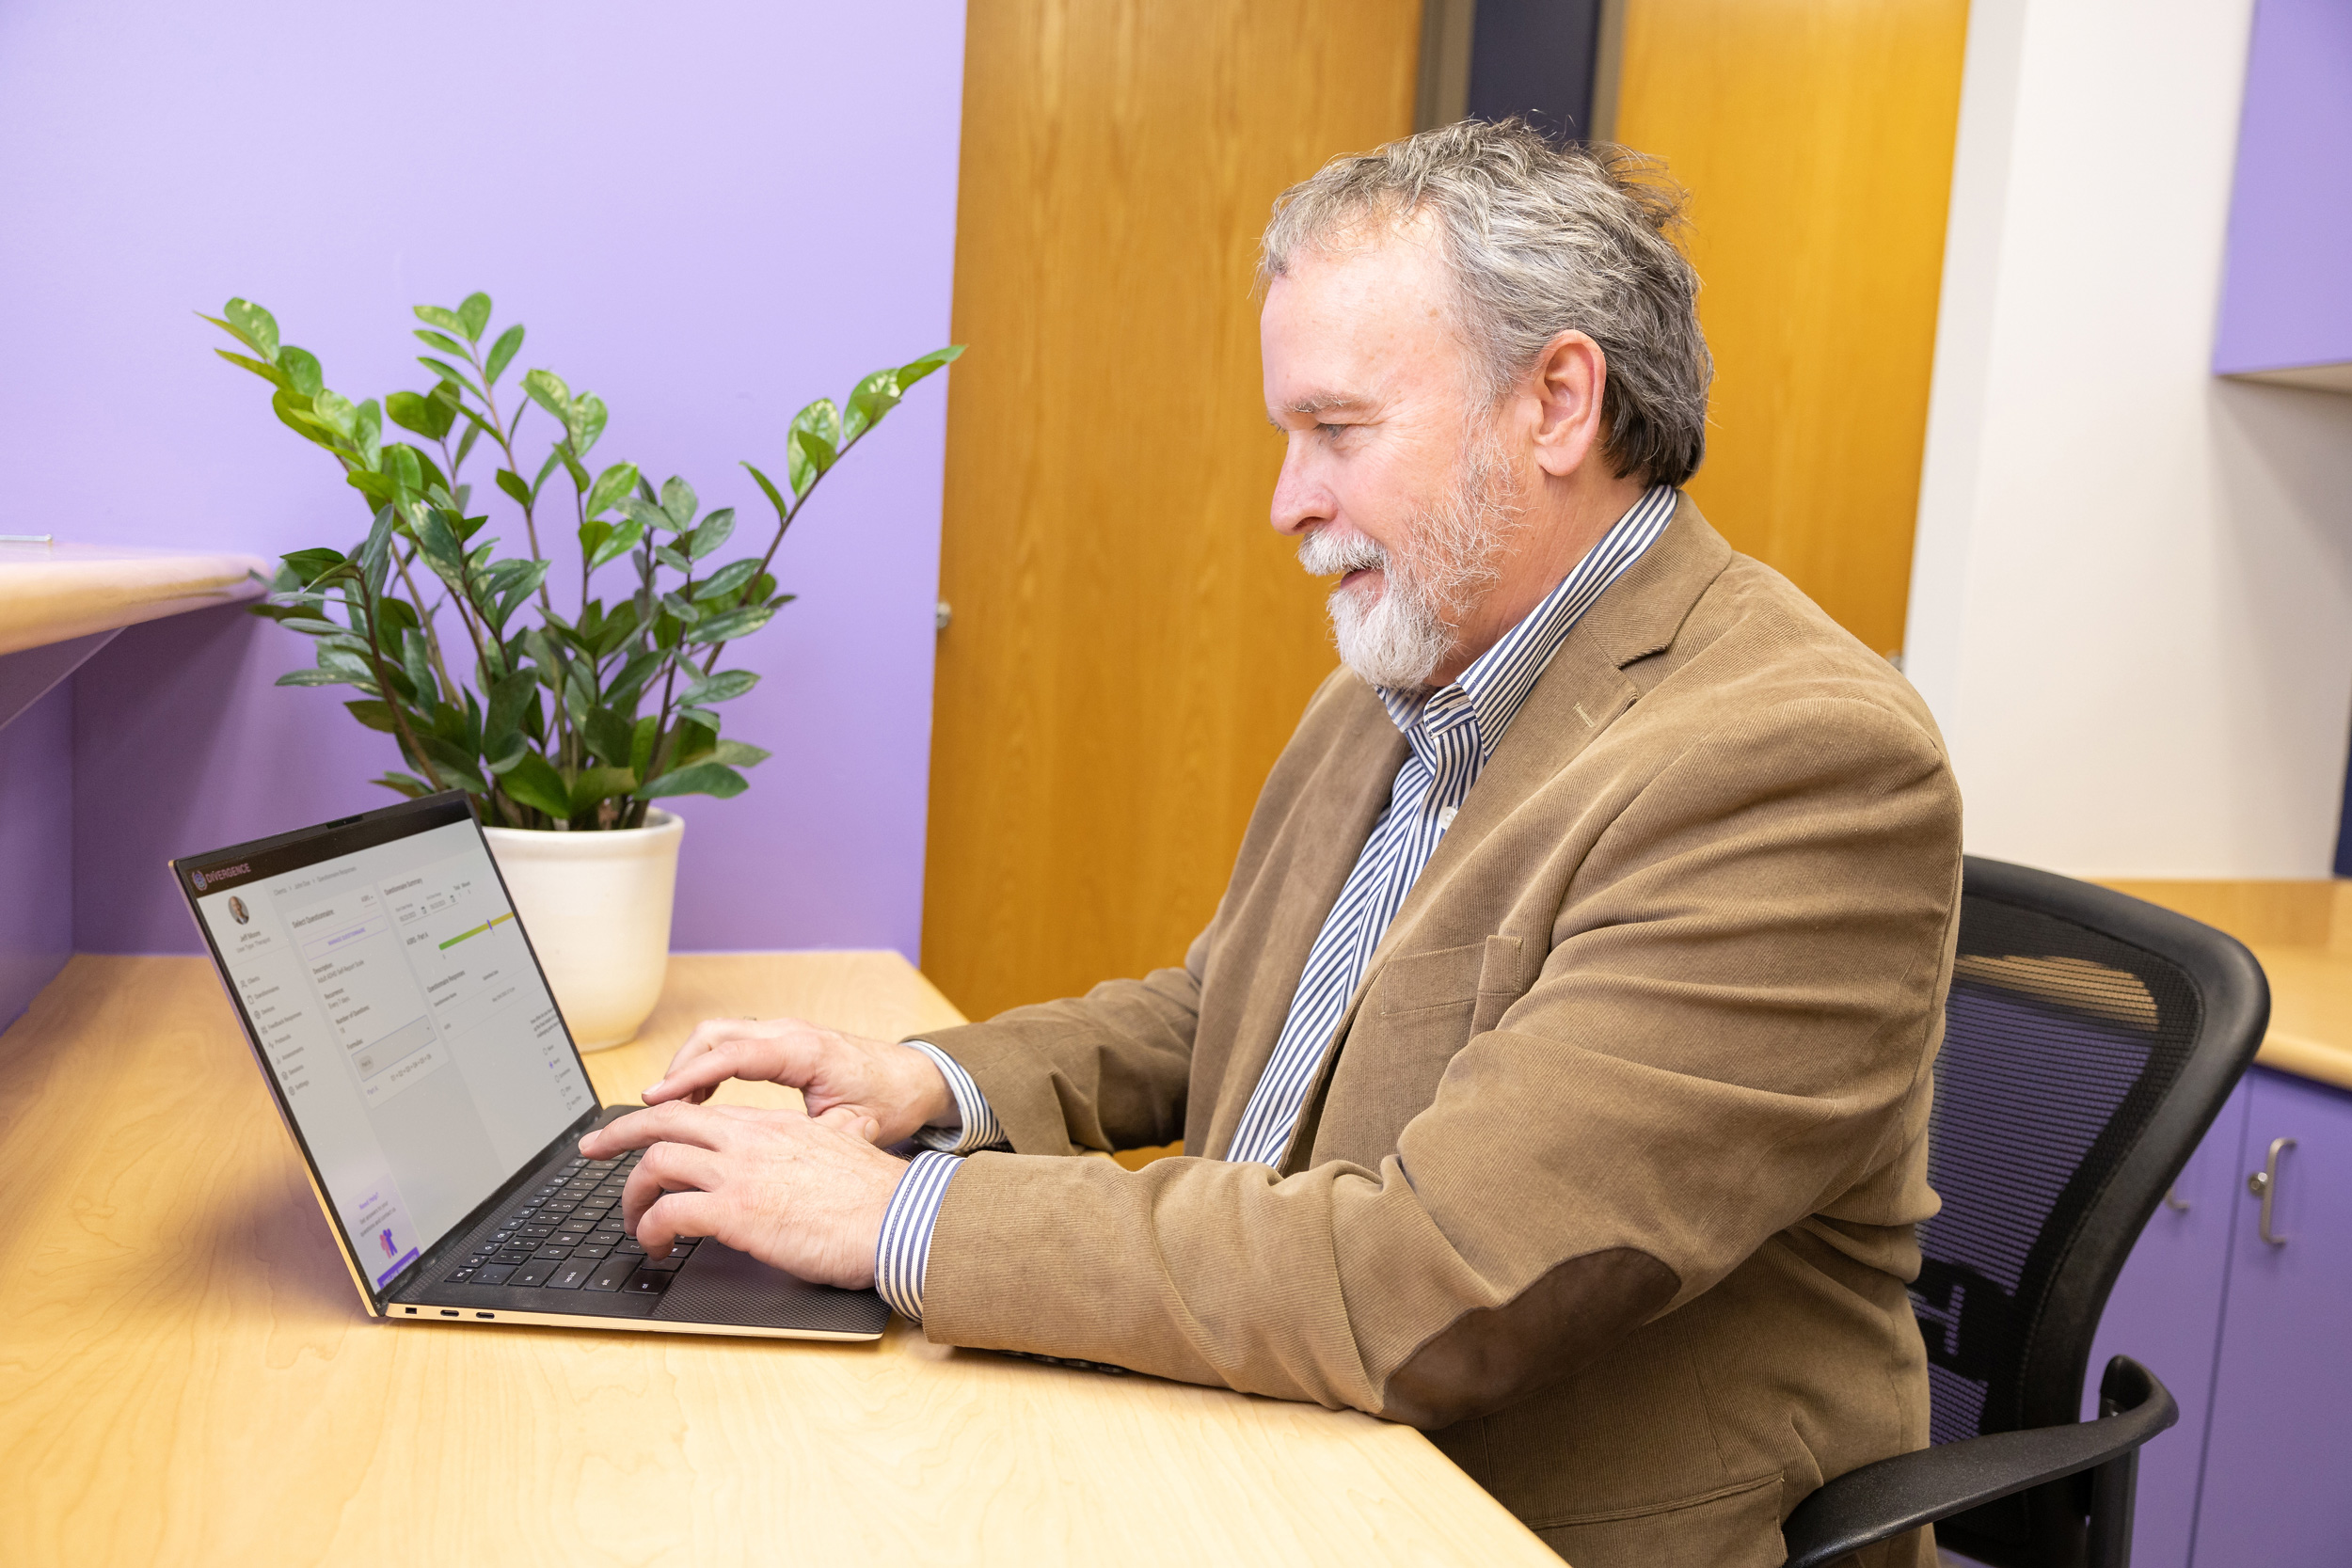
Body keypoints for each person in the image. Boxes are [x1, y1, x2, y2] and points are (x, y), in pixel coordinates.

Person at [581, 120, 1959, 1568]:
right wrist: (927, 1082)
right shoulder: (1408, 672)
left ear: (1556, 404)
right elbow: (1228, 1001)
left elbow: (1439, 1276)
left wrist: (903, 1218)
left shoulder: (1795, 762)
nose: (1287, 501)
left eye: (1338, 431)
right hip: (1272, 1441)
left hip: (1491, 1523)